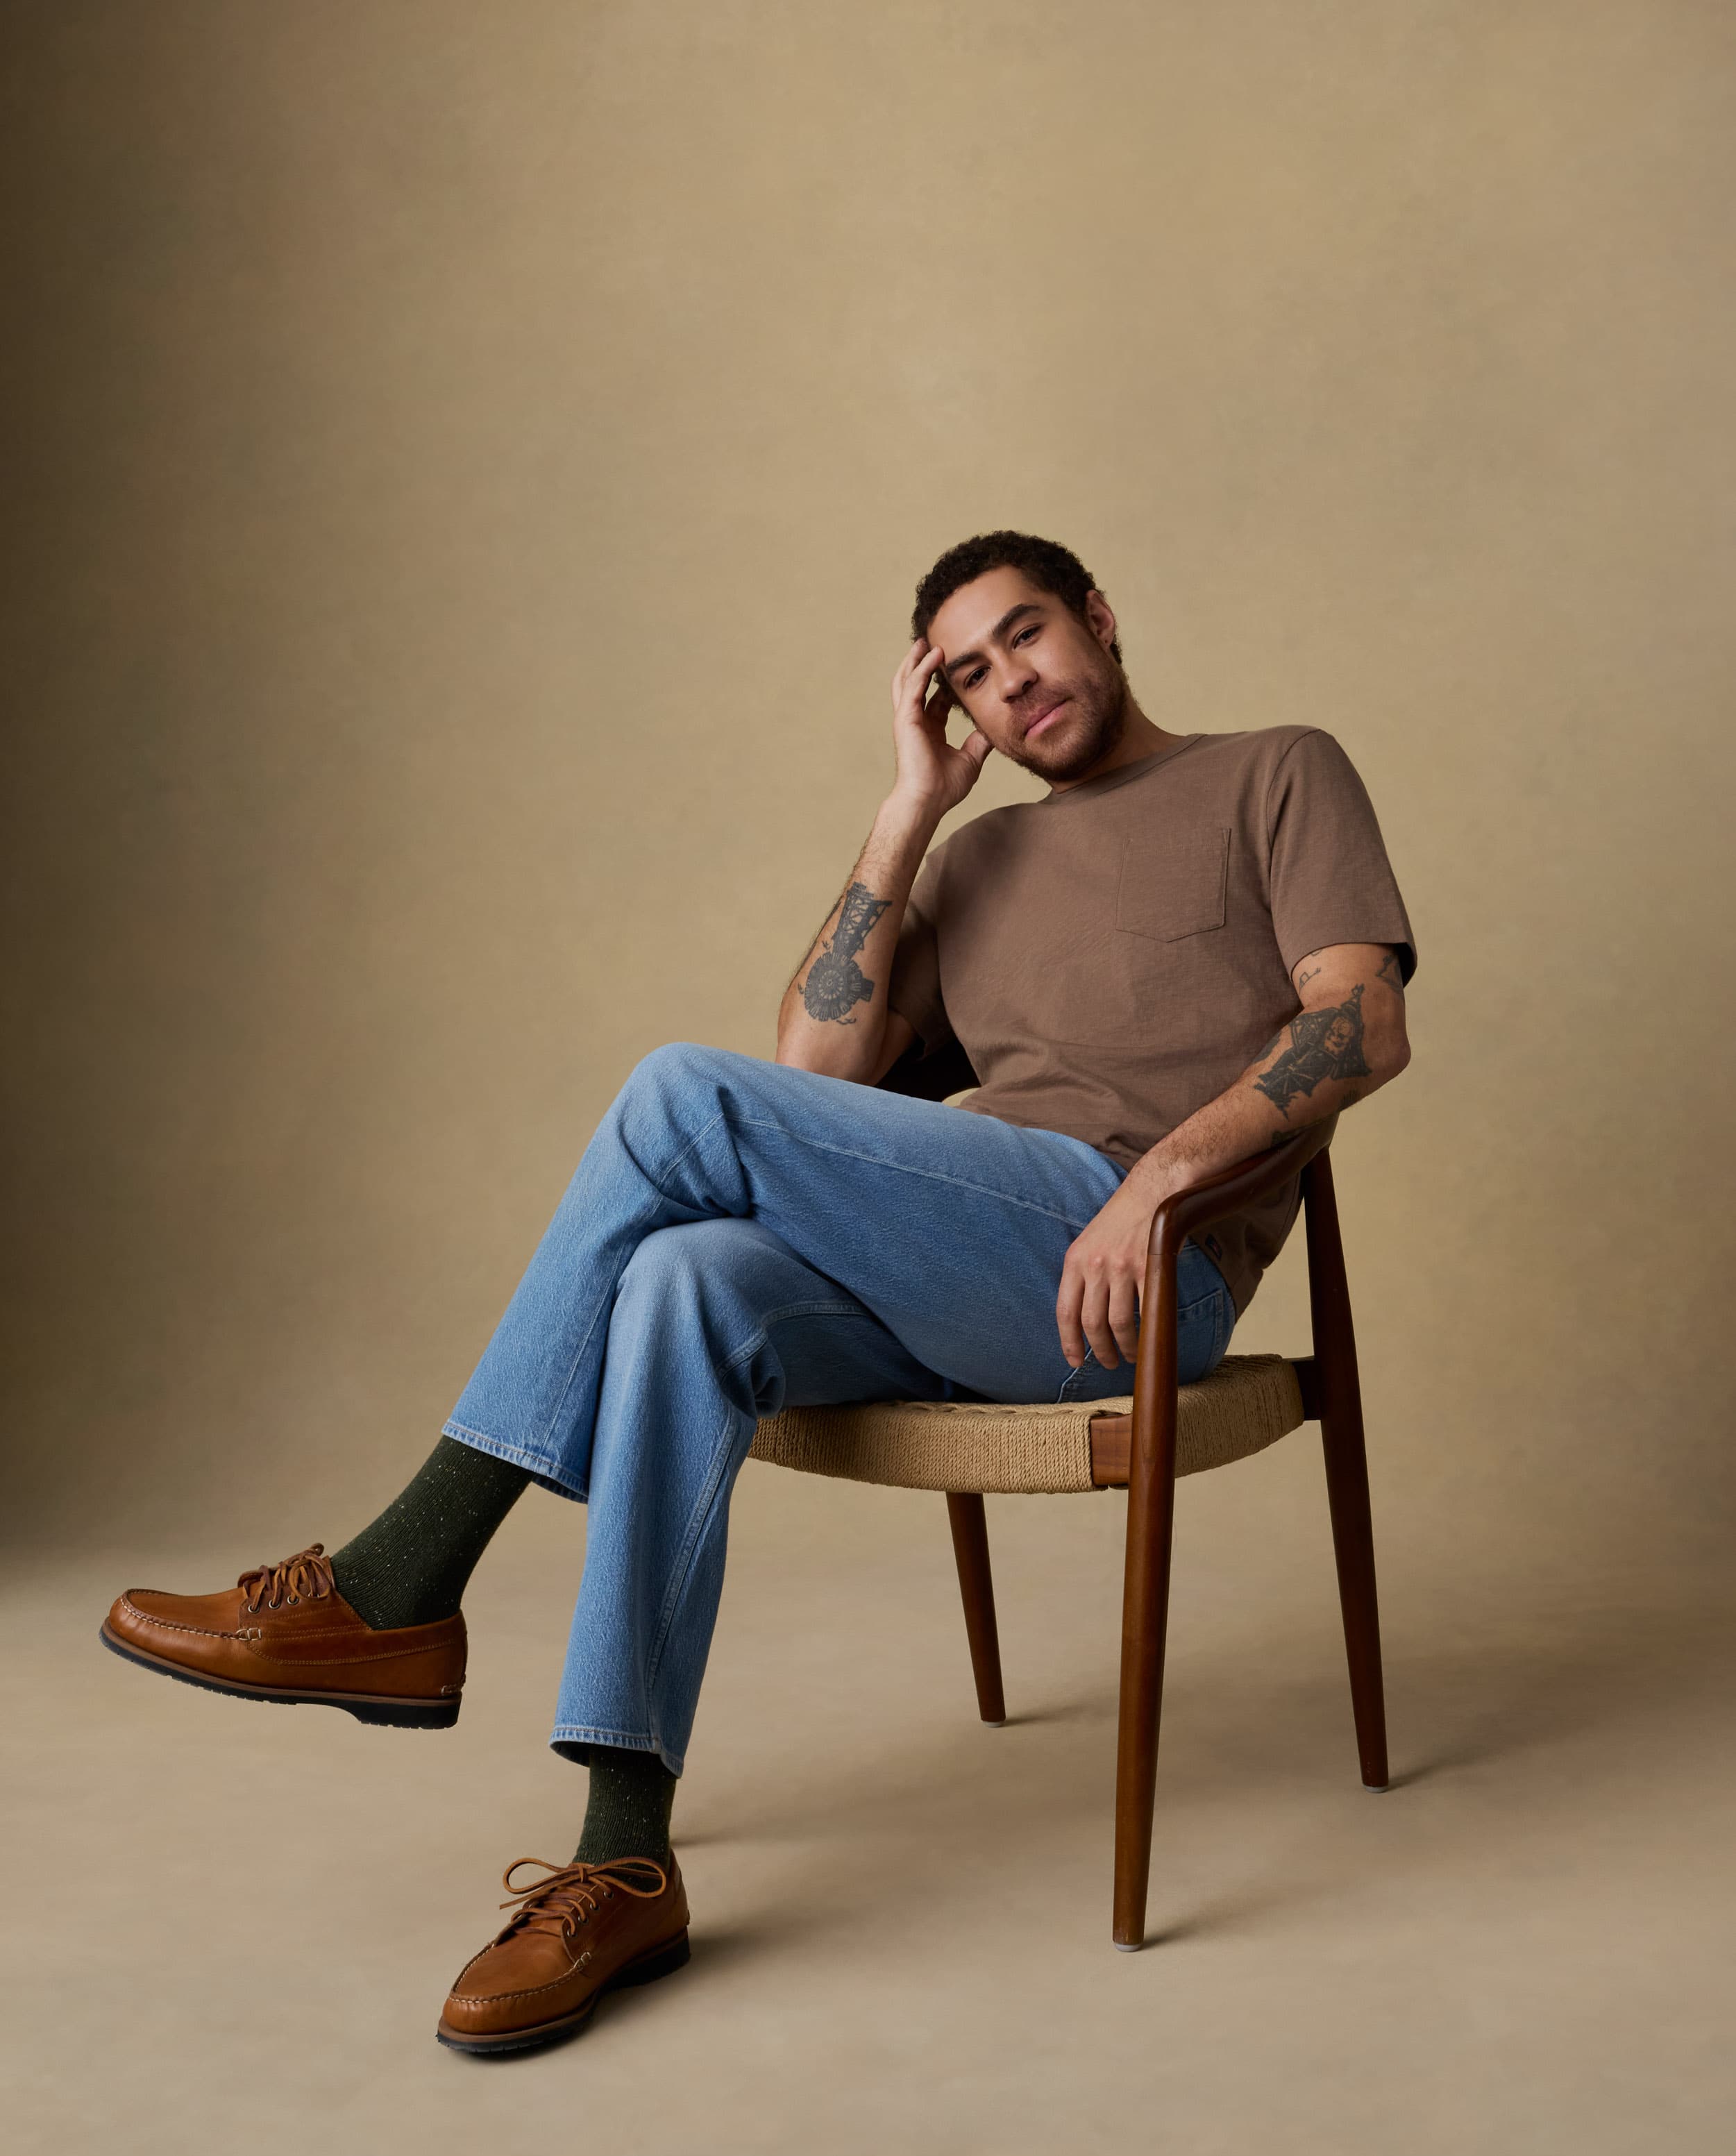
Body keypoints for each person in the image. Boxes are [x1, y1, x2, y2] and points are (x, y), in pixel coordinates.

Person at [100, 530, 1416, 2057]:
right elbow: (816, 1068)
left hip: (1147, 1274)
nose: (1012, 684)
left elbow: (1364, 1021)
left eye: (1029, 636)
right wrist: (909, 812)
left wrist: (1155, 1182)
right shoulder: (975, 857)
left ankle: (400, 1579)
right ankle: (623, 1854)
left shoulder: (1274, 772)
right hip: (974, 1266)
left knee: (677, 1097)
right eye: (970, 675)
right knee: (679, 1276)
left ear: (1102, 619)